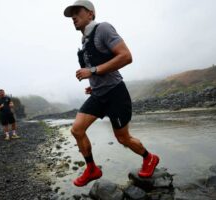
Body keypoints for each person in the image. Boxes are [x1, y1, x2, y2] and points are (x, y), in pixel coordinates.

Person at [63, 0, 160, 187]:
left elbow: (126, 56)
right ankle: (92, 169)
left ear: (90, 14)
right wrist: (93, 84)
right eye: (71, 14)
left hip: (116, 93)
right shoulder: (84, 42)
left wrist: (91, 72)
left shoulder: (103, 29)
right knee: (77, 129)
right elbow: (98, 69)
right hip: (99, 95)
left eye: (77, 12)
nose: (73, 17)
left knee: (123, 138)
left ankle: (149, 158)